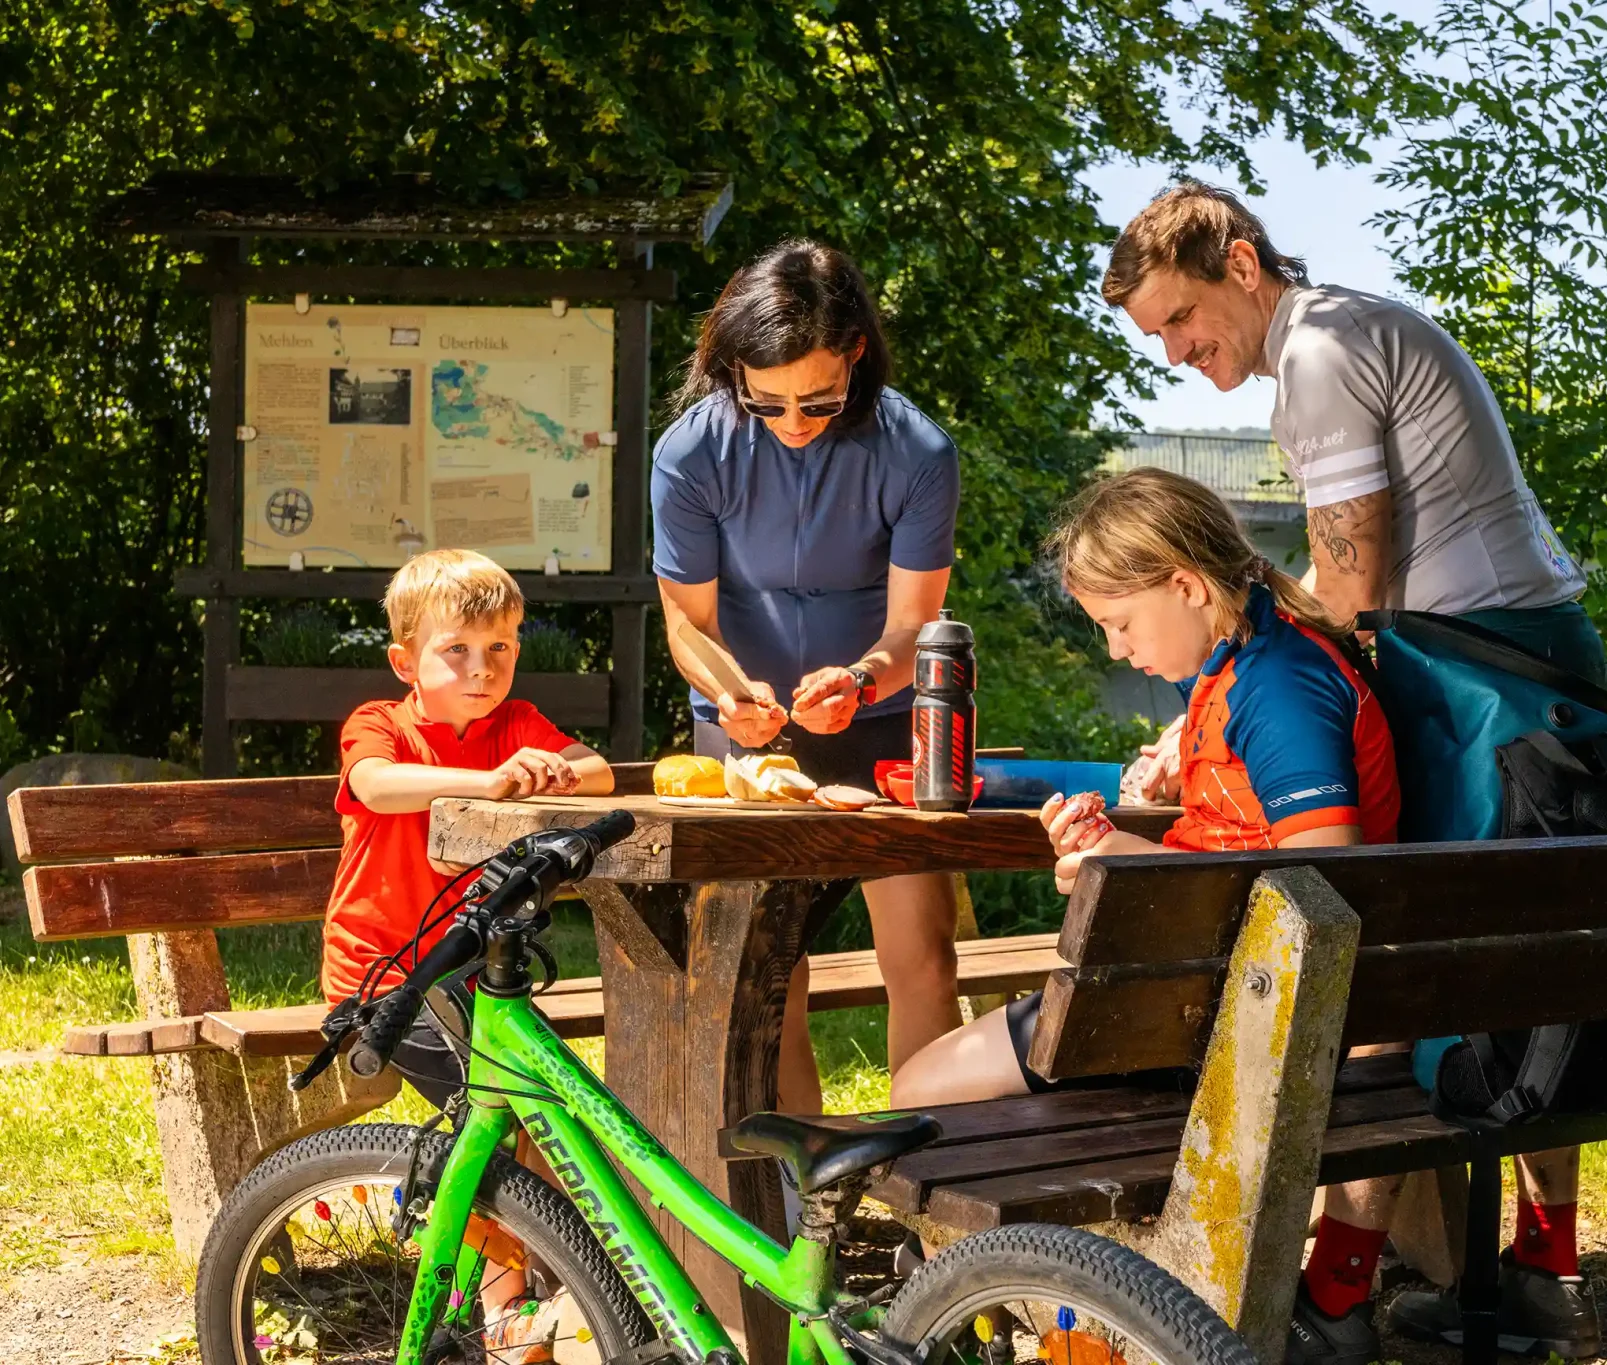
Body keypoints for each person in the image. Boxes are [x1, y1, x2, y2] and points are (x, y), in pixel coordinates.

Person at [1102, 180, 1605, 1361]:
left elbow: (1351, 594)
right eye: (1157, 340)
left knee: (1387, 965)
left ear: (1237, 263)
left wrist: (1213, 700)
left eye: (1180, 320)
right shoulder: (1355, 325)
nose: (1178, 353)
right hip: (1534, 667)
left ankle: (1333, 1298)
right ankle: (1541, 1266)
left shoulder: (1318, 353)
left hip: (1475, 686)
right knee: (1514, 966)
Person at [891, 469, 1403, 1363]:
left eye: (1119, 624)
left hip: (1232, 1015)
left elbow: (1328, 883)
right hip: (1220, 997)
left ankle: (1032, 1306)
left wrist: (1129, 870)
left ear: (1185, 582)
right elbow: (1239, 846)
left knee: (919, 1095)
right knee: (937, 1090)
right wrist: (1115, 853)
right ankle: (1045, 1303)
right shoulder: (1251, 659)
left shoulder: (1276, 685)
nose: (1118, 650)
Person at [651, 240, 963, 1115]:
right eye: (768, 400)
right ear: (732, 368)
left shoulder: (919, 452)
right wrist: (729, 694)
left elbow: (915, 625)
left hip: (880, 718)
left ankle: (933, 1192)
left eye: (819, 400)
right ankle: (791, 1203)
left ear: (856, 352)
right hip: (743, 730)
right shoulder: (688, 453)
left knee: (923, 955)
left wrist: (862, 680)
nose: (793, 422)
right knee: (765, 972)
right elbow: (689, 623)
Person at [323, 547, 614, 1360]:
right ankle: (506, 1312)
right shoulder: (381, 723)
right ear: (404, 660)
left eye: (502, 650)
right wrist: (487, 782)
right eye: (458, 650)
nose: (483, 669)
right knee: (506, 1115)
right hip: (386, 980)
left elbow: (593, 771)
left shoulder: (515, 727)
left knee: (552, 1106)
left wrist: (550, 768)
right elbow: (376, 784)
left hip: (476, 973)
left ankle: (555, 1280)